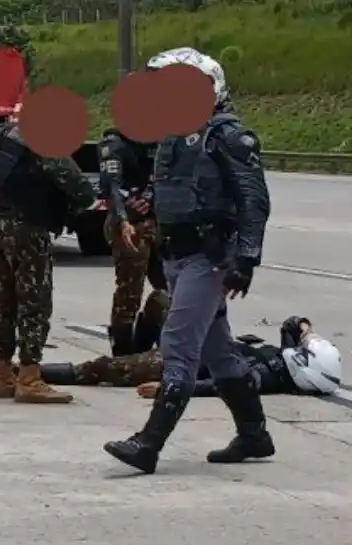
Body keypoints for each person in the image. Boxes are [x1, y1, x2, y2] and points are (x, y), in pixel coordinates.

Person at [105, 47, 273, 474]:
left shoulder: (228, 137)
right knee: (218, 352)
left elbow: (253, 201)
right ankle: (254, 434)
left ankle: (148, 444)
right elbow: (173, 188)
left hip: (210, 256)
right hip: (179, 254)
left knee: (178, 347)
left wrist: (247, 259)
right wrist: (143, 204)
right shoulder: (176, 135)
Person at [0, 121, 97, 403]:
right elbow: (81, 190)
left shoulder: (9, 132)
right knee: (34, 304)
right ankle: (29, 377)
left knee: (5, 303)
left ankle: (2, 375)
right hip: (28, 230)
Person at [41, 316, 343, 396]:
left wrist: (169, 388)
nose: (301, 344)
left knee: (102, 368)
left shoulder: (263, 377)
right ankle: (135, 348)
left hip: (179, 363)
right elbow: (292, 324)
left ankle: (30, 372)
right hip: (196, 341)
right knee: (163, 299)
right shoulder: (285, 361)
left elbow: (214, 387)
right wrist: (305, 329)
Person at [98, 126, 171, 355]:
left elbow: (172, 175)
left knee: (172, 286)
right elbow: (111, 186)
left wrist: (152, 195)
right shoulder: (114, 144)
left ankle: (148, 338)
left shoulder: (164, 140)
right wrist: (124, 216)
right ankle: (123, 351)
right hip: (130, 226)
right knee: (130, 292)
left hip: (159, 222)